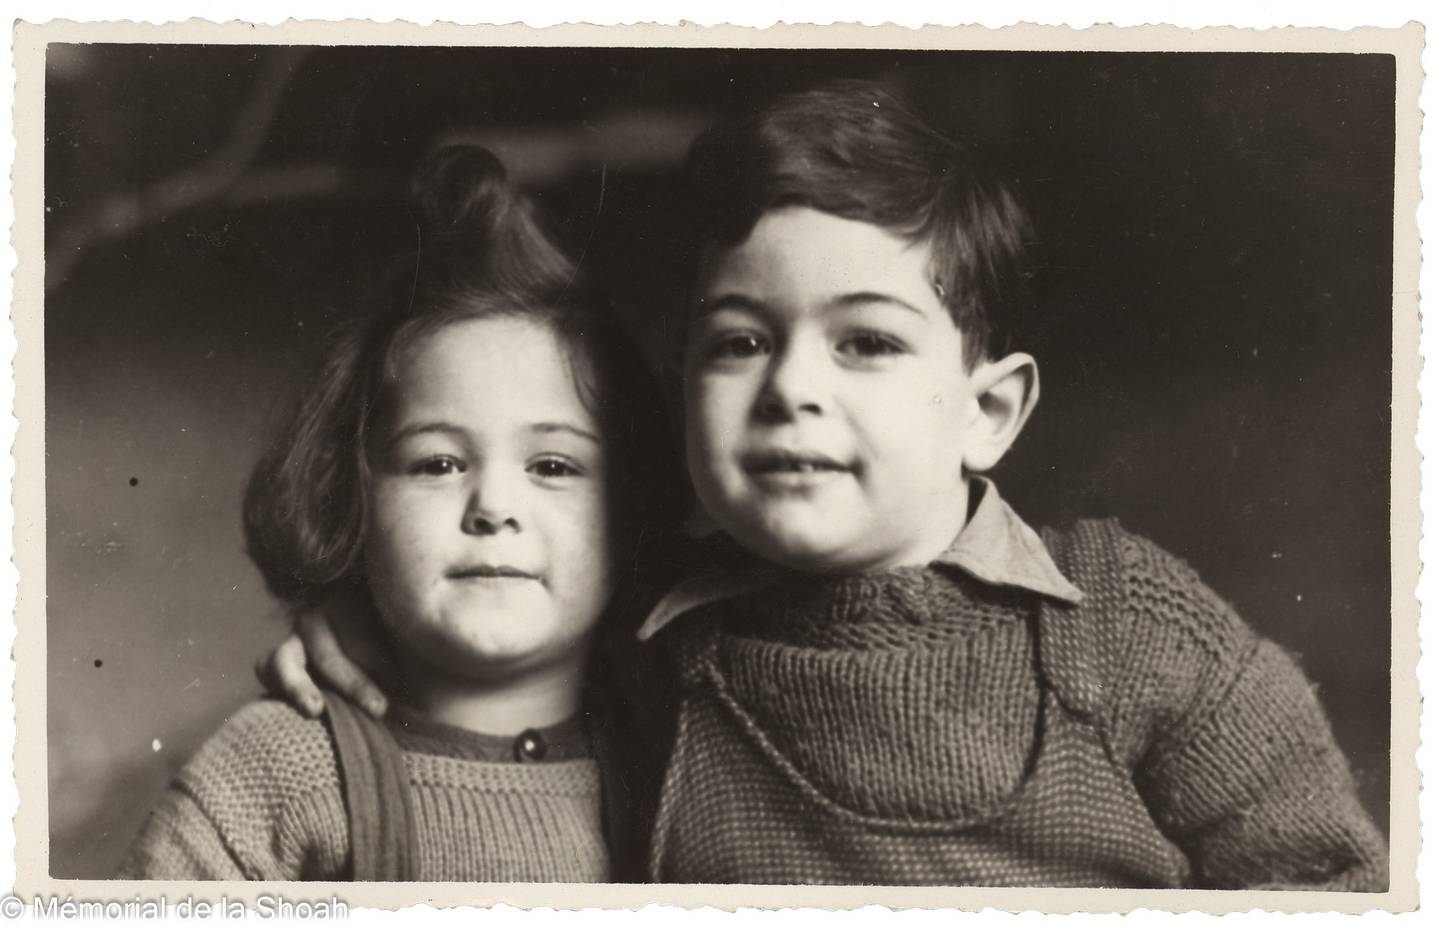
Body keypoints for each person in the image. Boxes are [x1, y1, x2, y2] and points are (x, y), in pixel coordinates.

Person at [263, 81, 1388, 889]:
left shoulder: (1126, 623)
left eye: (865, 344)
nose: (790, 386)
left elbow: (1326, 880)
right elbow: (494, 615)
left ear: (986, 412)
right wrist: (358, 623)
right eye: (740, 340)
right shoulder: (652, 623)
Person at [118, 146, 674, 882]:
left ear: (627, 505)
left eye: (552, 466)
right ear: (354, 499)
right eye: (438, 463)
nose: (494, 508)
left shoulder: (675, 755)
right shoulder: (279, 773)